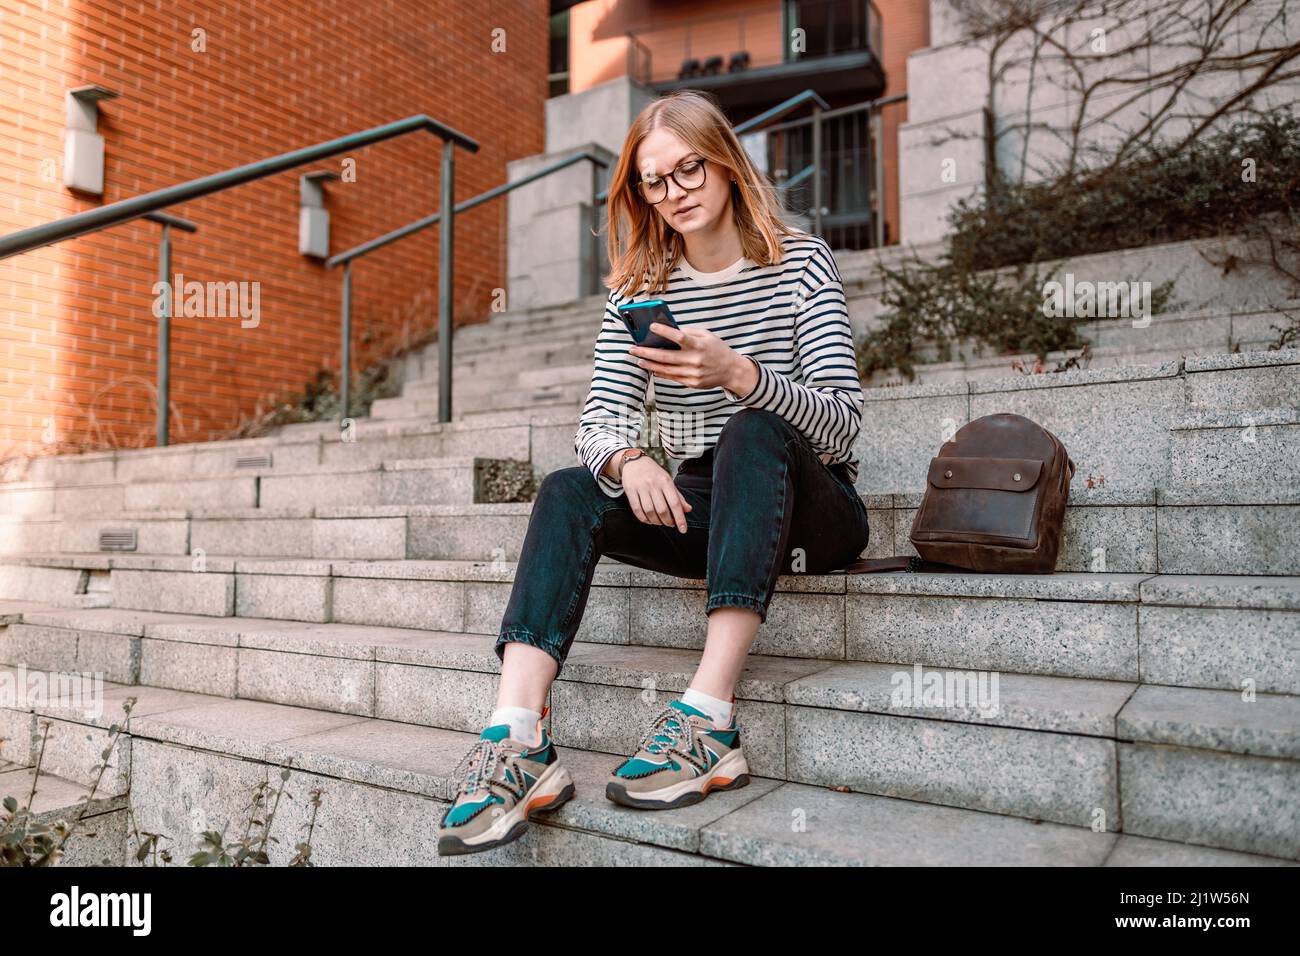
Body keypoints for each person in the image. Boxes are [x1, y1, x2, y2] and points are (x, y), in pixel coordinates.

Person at [436, 89, 870, 856]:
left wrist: (741, 374)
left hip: (811, 501)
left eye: (689, 169)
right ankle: (519, 738)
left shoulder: (801, 263)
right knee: (570, 489)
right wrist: (628, 457)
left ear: (728, 163)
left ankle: (708, 718)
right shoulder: (640, 289)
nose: (676, 193)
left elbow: (841, 423)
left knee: (754, 427)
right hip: (705, 505)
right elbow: (598, 419)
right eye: (655, 181)